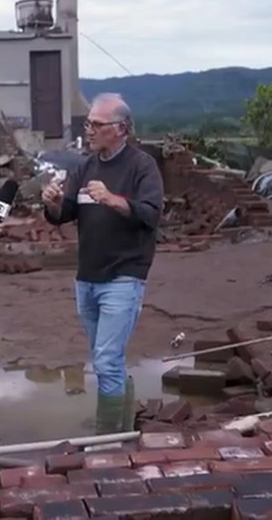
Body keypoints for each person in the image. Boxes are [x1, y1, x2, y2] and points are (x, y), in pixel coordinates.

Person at [41, 93, 165, 434]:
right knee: (108, 361)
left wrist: (113, 200)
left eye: (98, 124)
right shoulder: (85, 167)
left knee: (107, 361)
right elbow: (64, 213)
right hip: (88, 277)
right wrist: (52, 204)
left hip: (124, 276)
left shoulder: (142, 167)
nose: (90, 130)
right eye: (88, 123)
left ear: (121, 128)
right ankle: (124, 435)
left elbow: (151, 214)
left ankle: (106, 443)